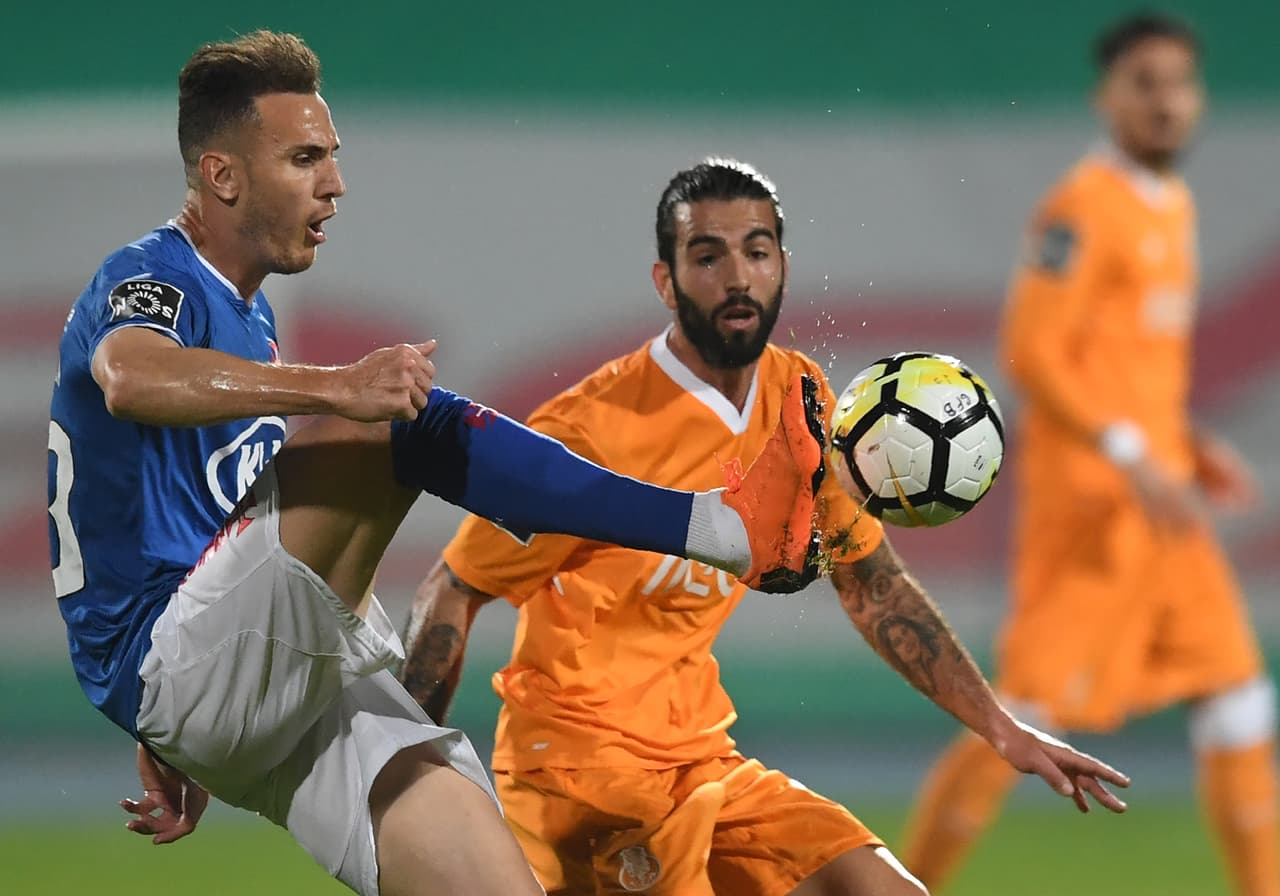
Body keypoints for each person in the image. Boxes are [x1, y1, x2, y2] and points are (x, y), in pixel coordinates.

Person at [51, 32, 835, 896]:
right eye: (305, 159)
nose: (335, 183)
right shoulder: (151, 276)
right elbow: (131, 376)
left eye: (332, 156)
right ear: (222, 176)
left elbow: (201, 528)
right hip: (179, 660)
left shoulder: (252, 318)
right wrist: (338, 387)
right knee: (397, 423)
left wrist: (182, 724)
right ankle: (722, 526)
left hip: (244, 680)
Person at [400, 159, 1130, 896]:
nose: (737, 277)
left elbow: (873, 586)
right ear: (666, 282)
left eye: (756, 251)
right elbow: (453, 588)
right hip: (582, 778)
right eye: (707, 257)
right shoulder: (591, 429)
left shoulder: (800, 397)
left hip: (702, 762)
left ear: (783, 265)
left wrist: (1000, 727)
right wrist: (403, 783)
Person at [901, 14, 1277, 896]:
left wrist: (1187, 447)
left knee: (1239, 697)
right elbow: (1033, 350)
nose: (1165, 101)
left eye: (1179, 83)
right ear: (1106, 98)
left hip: (1162, 506)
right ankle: (902, 885)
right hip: (1092, 514)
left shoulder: (1169, 205)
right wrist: (1129, 451)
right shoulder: (1082, 207)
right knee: (1022, 717)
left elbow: (1125, 367)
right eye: (1144, 83)